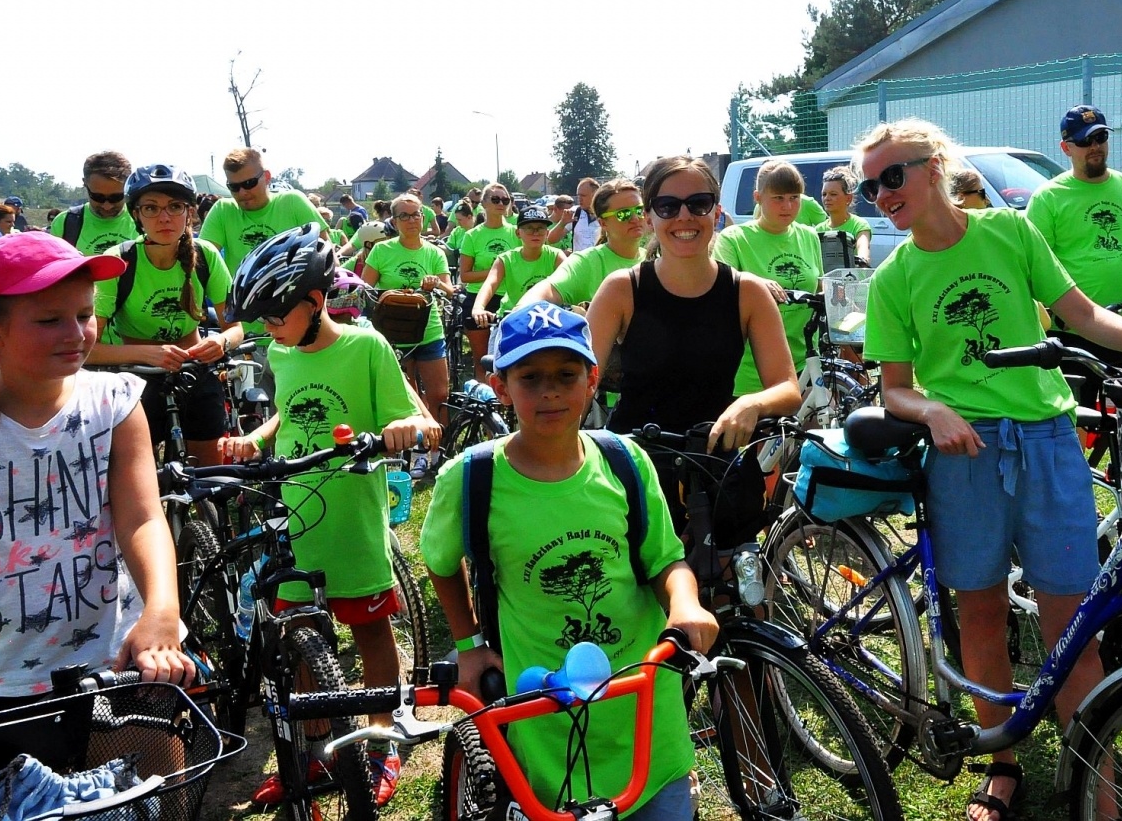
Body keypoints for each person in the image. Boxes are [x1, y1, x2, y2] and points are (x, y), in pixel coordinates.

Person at [856, 118, 1122, 821]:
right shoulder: (893, 275)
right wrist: (931, 411)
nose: (881, 194)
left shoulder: (1011, 232)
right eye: (871, 186)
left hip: (1049, 439)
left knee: (1070, 622)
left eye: (892, 176)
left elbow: (1079, 312)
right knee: (982, 612)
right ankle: (1002, 762)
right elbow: (893, 384)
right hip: (965, 456)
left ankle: (1098, 786)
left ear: (933, 166)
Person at [419, 302, 718, 821]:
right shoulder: (471, 479)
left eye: (566, 374)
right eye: (530, 378)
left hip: (647, 722)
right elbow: (441, 562)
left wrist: (686, 602)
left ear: (593, 380)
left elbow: (667, 559)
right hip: (544, 724)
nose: (550, 391)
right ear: (500, 387)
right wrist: (468, 645)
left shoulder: (625, 462)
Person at [0, 234, 194, 720]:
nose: (77, 332)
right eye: (49, 320)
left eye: (85, 315)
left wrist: (162, 611)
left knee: (151, 790)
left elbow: (142, 518)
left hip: (116, 662)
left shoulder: (116, 401)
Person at [220, 226, 439, 806]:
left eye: (275, 314)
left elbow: (407, 416)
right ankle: (318, 749)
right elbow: (288, 415)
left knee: (369, 631)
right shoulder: (280, 351)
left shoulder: (366, 347)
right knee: (303, 633)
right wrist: (258, 437)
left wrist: (402, 427)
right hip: (300, 517)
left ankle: (379, 739)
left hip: (351, 517)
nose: (267, 327)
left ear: (315, 302)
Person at [587, 157, 800, 549]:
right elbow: (582, 383)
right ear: (649, 218)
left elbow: (787, 387)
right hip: (638, 462)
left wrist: (751, 403)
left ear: (716, 213)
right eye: (668, 206)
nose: (684, 216)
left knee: (728, 596)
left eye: (698, 203)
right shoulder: (621, 289)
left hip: (717, 461)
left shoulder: (747, 292)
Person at [86, 166, 240, 468]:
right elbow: (87, 349)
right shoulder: (118, 260)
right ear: (137, 216)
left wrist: (221, 341)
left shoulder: (205, 255)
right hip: (135, 377)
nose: (164, 217)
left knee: (211, 475)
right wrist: (148, 354)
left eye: (175, 207)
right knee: (139, 477)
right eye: (151, 208)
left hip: (195, 369)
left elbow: (235, 327)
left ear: (189, 212)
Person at [1026, 105, 1122, 316]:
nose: (1095, 146)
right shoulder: (1048, 198)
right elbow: (1036, 266)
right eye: (1084, 141)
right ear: (1066, 148)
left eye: (1101, 137)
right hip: (1075, 327)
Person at [712, 159, 824, 396]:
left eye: (794, 198)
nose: (788, 206)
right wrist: (755, 283)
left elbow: (819, 284)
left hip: (804, 362)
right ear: (758, 197)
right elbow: (719, 286)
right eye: (778, 198)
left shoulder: (809, 236)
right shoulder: (734, 238)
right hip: (751, 370)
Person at [360, 193, 455, 424]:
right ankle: (417, 447)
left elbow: (450, 291)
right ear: (394, 221)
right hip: (394, 333)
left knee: (440, 395)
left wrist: (437, 283)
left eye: (416, 215)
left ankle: (437, 450)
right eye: (404, 216)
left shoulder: (435, 252)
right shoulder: (381, 251)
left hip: (429, 331)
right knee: (408, 398)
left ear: (423, 218)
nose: (412, 220)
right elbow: (365, 289)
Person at [521, 179, 647, 311]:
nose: (635, 218)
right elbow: (542, 293)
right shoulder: (585, 263)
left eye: (639, 210)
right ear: (603, 223)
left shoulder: (655, 258)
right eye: (623, 214)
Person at [199, 147, 328, 269]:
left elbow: (326, 253)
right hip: (238, 292)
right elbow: (201, 262)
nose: (242, 192)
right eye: (234, 187)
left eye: (249, 183)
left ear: (266, 177)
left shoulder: (293, 202)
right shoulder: (223, 210)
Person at [458, 185, 519, 382]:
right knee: (482, 359)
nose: (501, 203)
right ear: (483, 203)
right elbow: (465, 275)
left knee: (513, 359)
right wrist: (497, 270)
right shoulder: (472, 236)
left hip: (511, 299)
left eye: (505, 199)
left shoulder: (517, 232)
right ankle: (486, 402)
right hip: (479, 299)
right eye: (495, 199)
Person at [472, 205, 564, 329]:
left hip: (549, 320)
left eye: (541, 228)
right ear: (518, 233)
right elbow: (490, 284)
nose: (535, 233)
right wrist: (478, 308)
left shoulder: (556, 256)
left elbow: (571, 283)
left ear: (547, 233)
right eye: (529, 228)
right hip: (512, 318)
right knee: (496, 347)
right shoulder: (505, 259)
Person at [48, 151, 138, 257]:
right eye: (98, 197)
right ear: (85, 184)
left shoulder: (144, 221)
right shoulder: (64, 223)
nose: (107, 206)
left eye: (116, 197)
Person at [815, 165, 872, 266]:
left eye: (833, 194)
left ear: (848, 199)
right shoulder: (818, 230)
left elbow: (863, 247)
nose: (827, 198)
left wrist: (863, 259)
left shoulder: (859, 225)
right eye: (824, 194)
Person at [571, 177, 603, 251]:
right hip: (579, 262)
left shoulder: (607, 214)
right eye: (578, 195)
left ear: (595, 194)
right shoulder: (575, 213)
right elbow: (551, 239)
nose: (579, 199)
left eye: (583, 195)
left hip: (600, 261)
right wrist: (562, 223)